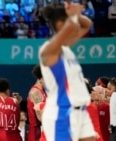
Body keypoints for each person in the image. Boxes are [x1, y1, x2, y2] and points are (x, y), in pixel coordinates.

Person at [39, 2, 96, 141]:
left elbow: (87, 25)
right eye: (72, 20)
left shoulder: (65, 48)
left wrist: (76, 15)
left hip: (81, 111)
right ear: (60, 24)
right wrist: (73, 16)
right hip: (61, 114)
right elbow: (72, 26)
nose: (76, 24)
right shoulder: (48, 50)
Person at [27, 65, 46, 141]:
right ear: (41, 78)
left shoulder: (41, 91)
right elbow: (40, 117)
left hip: (41, 129)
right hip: (36, 132)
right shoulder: (36, 92)